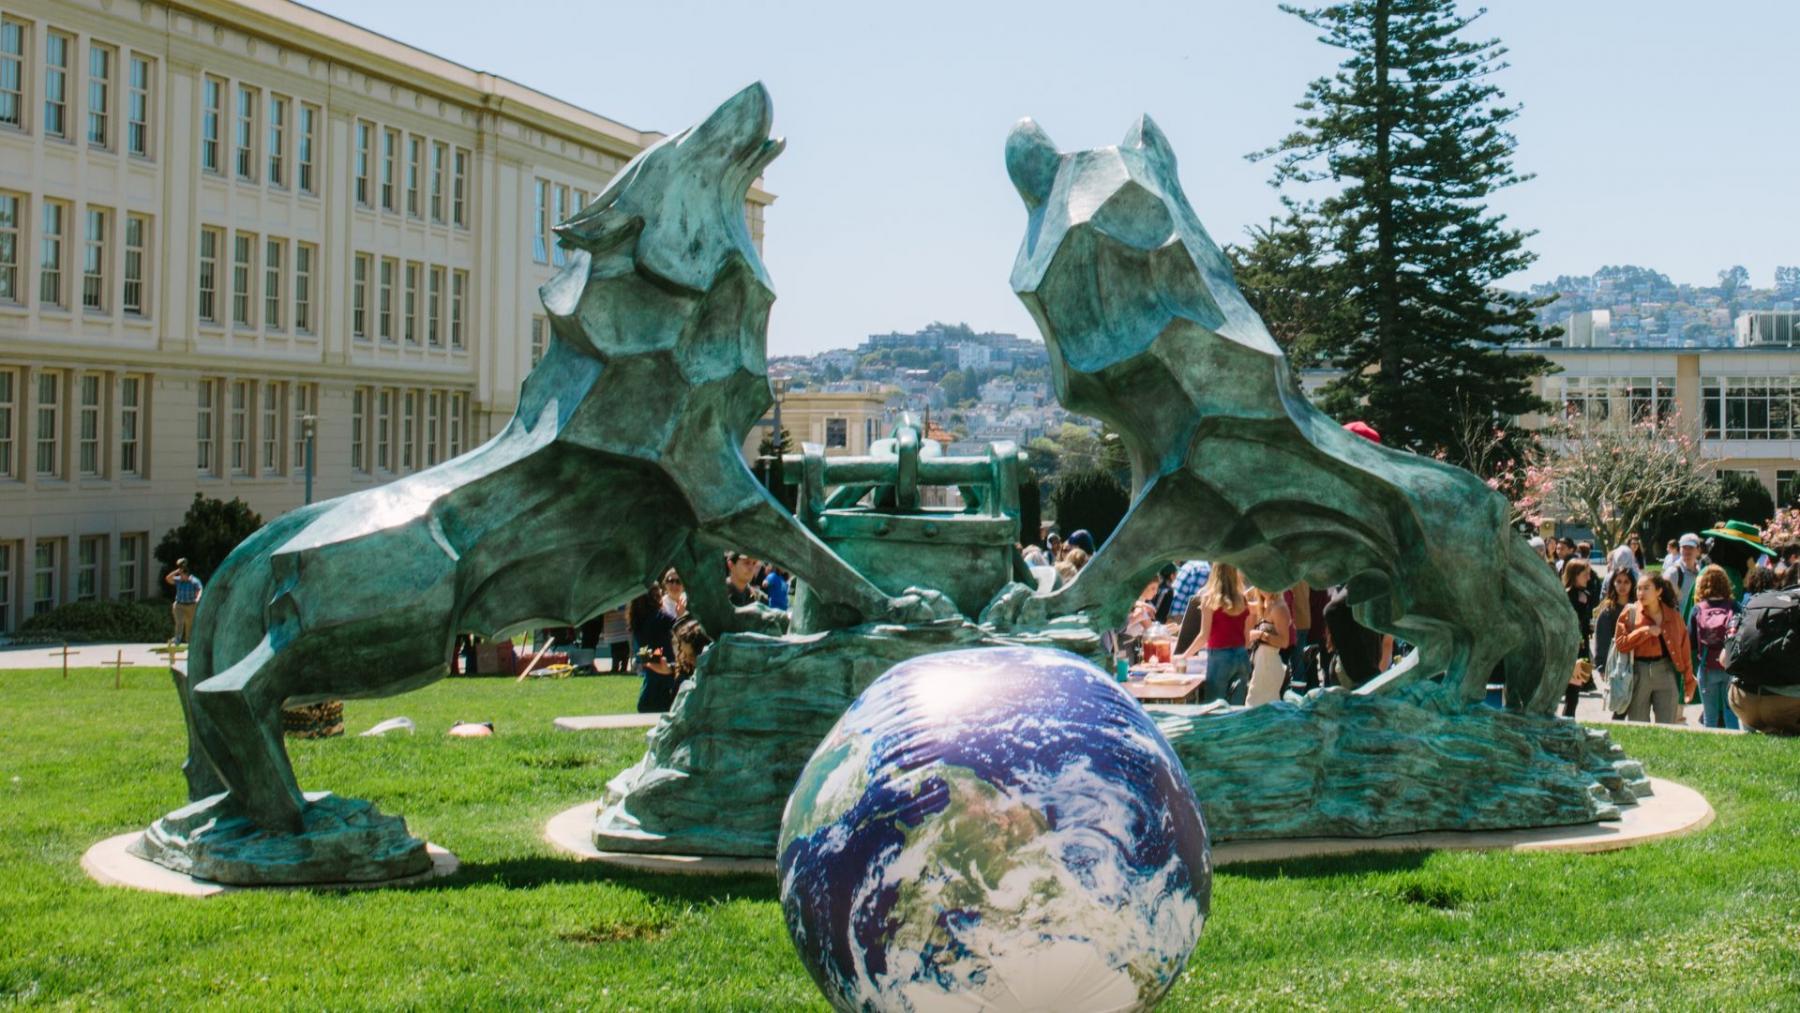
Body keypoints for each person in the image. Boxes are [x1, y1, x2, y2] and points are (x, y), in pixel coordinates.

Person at [1612, 573, 1695, 725]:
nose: (1640, 593)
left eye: (1646, 588)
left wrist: (1689, 680)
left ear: (1659, 591)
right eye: (1639, 589)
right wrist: (1645, 631)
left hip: (1665, 672)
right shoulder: (1630, 612)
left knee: (1667, 727)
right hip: (1638, 672)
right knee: (1638, 726)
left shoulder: (1673, 616)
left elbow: (1684, 650)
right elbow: (1621, 644)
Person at [1178, 563, 1253, 705]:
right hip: (1241, 656)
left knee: (1215, 707)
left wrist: (1184, 656)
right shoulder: (1241, 599)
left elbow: (1203, 636)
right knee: (1237, 708)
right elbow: (1247, 638)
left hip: (1219, 658)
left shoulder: (1210, 599)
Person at [1687, 565, 1741, 730]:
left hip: (1706, 665)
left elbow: (1691, 642)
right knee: (1731, 712)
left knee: (1709, 715)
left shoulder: (1698, 609)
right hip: (1729, 665)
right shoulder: (1734, 606)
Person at [1321, 584, 1392, 688]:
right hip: (1358, 671)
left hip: (1362, 670)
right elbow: (1332, 610)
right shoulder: (1365, 590)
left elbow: (1387, 642)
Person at [629, 585, 679, 713]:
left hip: (649, 683)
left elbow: (644, 653)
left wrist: (651, 658)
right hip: (664, 680)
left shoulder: (637, 620)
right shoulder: (660, 617)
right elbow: (681, 626)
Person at [1244, 584, 1293, 707]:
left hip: (1269, 665)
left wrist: (1260, 635)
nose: (1262, 587)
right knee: (1255, 706)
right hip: (1262, 664)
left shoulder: (1279, 607)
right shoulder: (1266, 604)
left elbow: (1284, 642)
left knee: (1254, 707)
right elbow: (1243, 604)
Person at [1562, 559, 1597, 718]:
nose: (1588, 578)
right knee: (1567, 687)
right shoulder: (1566, 595)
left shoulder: (1587, 594)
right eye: (1585, 575)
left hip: (1582, 646)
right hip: (1568, 647)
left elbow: (1584, 619)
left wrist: (1588, 626)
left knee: (1574, 692)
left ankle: (1569, 719)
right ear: (1575, 575)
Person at [1594, 567, 1636, 672]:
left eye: (1626, 582)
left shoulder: (1638, 607)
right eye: (1619, 581)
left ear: (1632, 584)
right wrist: (1602, 666)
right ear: (1613, 583)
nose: (1622, 586)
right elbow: (1602, 641)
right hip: (1616, 664)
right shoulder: (1608, 610)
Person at [164, 559, 204, 645]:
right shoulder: (179, 580)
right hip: (179, 605)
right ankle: (177, 639)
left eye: (182, 575)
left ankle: (189, 641)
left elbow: (200, 589)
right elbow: (168, 578)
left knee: (190, 624)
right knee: (179, 622)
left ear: (187, 575)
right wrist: (177, 571)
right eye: (180, 575)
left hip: (191, 605)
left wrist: (198, 598)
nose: (180, 577)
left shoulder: (194, 581)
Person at [1664, 533, 1702, 613]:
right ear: (1680, 549)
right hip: (1677, 623)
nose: (1687, 551)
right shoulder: (1673, 573)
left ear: (1698, 551)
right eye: (1684, 547)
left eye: (1691, 547)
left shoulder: (1700, 571)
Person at [1167, 559, 1210, 624]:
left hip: (1170, 615)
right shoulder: (1204, 570)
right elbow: (1195, 605)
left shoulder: (1191, 563)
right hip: (1179, 620)